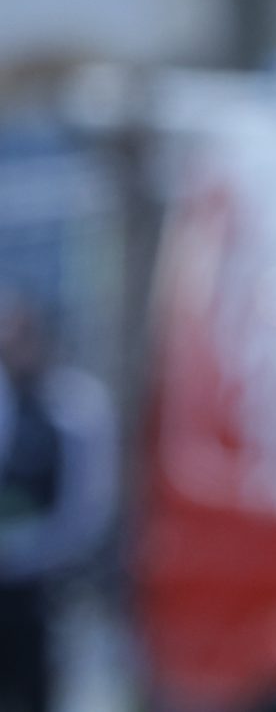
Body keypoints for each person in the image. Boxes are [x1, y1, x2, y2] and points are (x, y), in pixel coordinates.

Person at [0, 291, 118, 712]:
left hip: (49, 590)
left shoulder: (76, 408)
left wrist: (28, 551)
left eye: (22, 335)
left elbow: (86, 510)